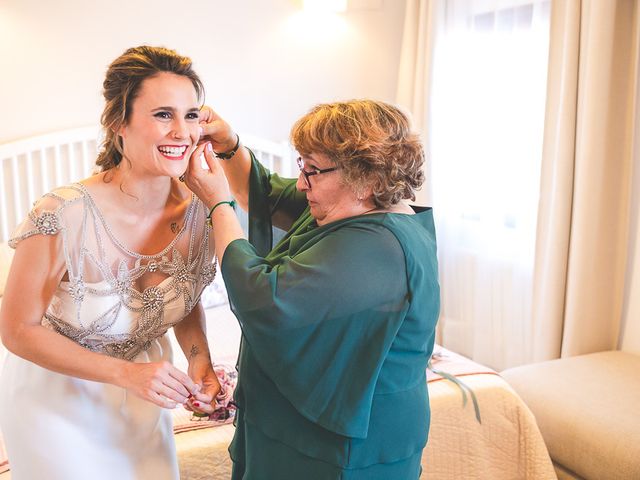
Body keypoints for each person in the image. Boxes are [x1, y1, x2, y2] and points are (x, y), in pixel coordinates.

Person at [184, 99, 440, 479]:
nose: (302, 182)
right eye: (302, 165)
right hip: (301, 430)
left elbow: (263, 299)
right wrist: (229, 145)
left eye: (313, 170)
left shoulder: (380, 247)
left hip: (343, 448)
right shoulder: (348, 205)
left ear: (366, 178)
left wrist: (218, 203)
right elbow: (264, 194)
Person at [0, 46, 222, 480]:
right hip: (57, 396)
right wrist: (129, 374)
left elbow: (181, 293)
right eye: (163, 114)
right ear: (119, 122)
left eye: (192, 115)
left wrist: (200, 361)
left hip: (142, 398)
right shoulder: (62, 214)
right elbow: (15, 330)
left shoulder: (205, 206)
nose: (182, 132)